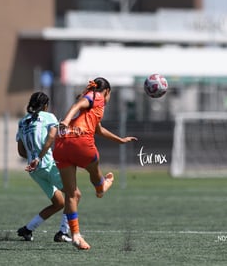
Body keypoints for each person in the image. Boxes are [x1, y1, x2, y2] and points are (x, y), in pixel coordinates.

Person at [53, 77, 138, 250]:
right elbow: (77, 105)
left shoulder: (94, 108)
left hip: (61, 145)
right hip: (80, 140)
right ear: (107, 91)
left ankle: (76, 235)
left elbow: (98, 129)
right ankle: (100, 188)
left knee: (71, 194)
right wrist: (65, 121)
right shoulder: (97, 96)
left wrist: (119, 140)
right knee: (95, 169)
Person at [16, 92, 73, 243]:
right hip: (47, 165)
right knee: (73, 194)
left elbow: (21, 151)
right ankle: (63, 232)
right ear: (46, 105)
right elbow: (51, 137)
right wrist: (40, 157)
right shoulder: (49, 117)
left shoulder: (22, 122)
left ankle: (27, 230)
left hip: (34, 170)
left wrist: (33, 158)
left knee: (59, 203)